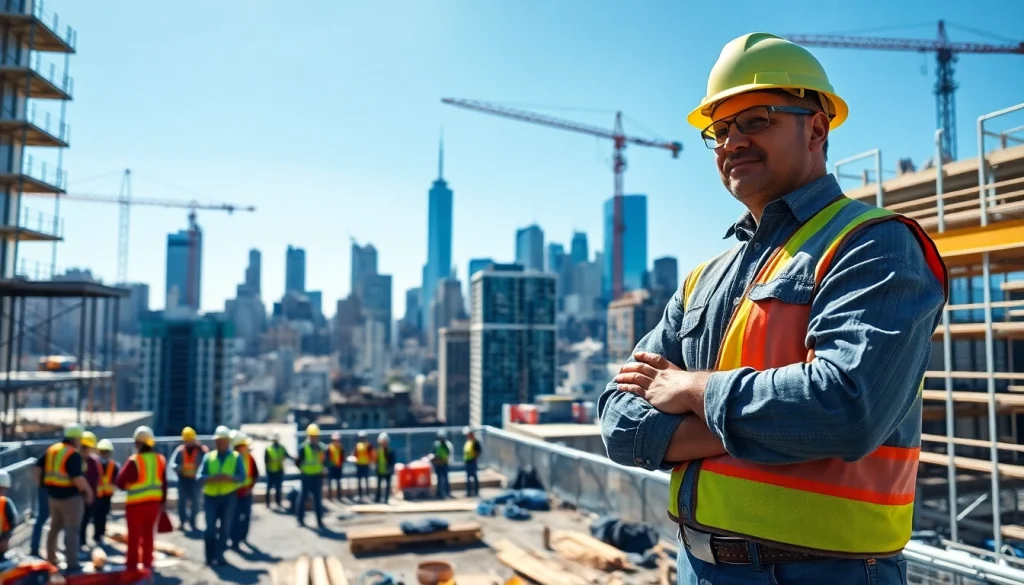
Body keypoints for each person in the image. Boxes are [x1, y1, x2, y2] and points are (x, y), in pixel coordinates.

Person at [598, 33, 948, 584]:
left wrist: (692, 392)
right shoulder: (703, 280)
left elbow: (845, 409)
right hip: (697, 567)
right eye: (720, 129)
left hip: (829, 574)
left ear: (816, 127)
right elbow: (620, 424)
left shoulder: (873, 245)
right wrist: (771, 427)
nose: (732, 141)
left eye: (756, 119)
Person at [35, 422, 92, 572]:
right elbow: (77, 478)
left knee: (54, 528)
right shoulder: (73, 454)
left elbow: (37, 467)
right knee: (72, 531)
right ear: (75, 439)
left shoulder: (52, 450)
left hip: (53, 496)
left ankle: (51, 560)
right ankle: (72, 564)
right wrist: (88, 491)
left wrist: (42, 485)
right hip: (70, 498)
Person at [114, 426, 167, 572]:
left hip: (135, 505)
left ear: (138, 443)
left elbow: (120, 482)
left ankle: (132, 567)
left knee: (134, 537)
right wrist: (163, 503)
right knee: (149, 535)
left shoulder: (134, 461)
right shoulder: (160, 459)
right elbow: (164, 483)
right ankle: (147, 565)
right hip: (154, 504)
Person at [197, 425, 244, 566]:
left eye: (223, 440)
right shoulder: (209, 457)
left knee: (225, 527)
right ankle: (209, 556)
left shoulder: (235, 457)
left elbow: (242, 476)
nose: (220, 443)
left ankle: (220, 555)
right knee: (210, 528)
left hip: (228, 496)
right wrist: (212, 478)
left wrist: (229, 478)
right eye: (218, 440)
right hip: (210, 497)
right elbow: (199, 476)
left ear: (228, 441)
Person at [169, 426, 207, 531]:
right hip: (183, 479)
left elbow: (206, 464)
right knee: (182, 502)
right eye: (186, 440)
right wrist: (178, 468)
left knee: (195, 502)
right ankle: (182, 521)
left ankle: (193, 522)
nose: (188, 442)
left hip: (196, 480)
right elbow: (173, 463)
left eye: (190, 440)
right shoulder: (180, 451)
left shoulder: (201, 451)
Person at [229, 431, 258, 551]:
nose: (246, 448)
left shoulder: (250, 458)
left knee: (246, 516)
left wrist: (250, 489)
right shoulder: (230, 459)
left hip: (246, 493)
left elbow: (255, 474)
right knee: (234, 517)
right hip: (234, 493)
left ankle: (243, 537)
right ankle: (234, 541)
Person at [294, 423, 326, 529]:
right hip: (306, 476)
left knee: (318, 499)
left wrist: (323, 469)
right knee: (303, 497)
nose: (314, 438)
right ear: (308, 436)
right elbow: (297, 462)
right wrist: (302, 470)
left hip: (317, 476)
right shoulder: (303, 448)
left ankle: (319, 521)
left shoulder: (321, 447)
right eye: (312, 436)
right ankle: (300, 519)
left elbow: (324, 461)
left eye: (316, 436)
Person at [92, 439, 119, 546]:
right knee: (95, 517)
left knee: (103, 516)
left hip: (107, 495)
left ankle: (100, 535)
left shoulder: (113, 465)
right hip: (96, 495)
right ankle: (95, 536)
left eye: (107, 452)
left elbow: (116, 480)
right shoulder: (94, 464)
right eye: (102, 451)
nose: (105, 454)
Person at [77, 431, 101, 550]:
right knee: (76, 522)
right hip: (78, 496)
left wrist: (90, 495)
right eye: (84, 449)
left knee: (85, 521)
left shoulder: (93, 461)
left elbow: (95, 479)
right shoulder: (76, 460)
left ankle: (82, 542)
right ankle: (78, 544)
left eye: (88, 449)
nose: (86, 451)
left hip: (89, 496)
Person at [263, 432, 287, 508]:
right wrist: (267, 470)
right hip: (270, 471)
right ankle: (268, 503)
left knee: (278, 488)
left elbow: (287, 455)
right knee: (269, 488)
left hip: (279, 471)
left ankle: (278, 502)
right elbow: (265, 461)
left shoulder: (282, 448)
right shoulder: (268, 449)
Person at [0, 470, 19, 559]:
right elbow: (13, 521)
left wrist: (5, 537)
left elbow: (12, 522)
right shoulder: (5, 503)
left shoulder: (5, 503)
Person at [429, 430, 453, 499]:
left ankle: (447, 492)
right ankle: (439, 493)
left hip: (444, 464)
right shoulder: (436, 444)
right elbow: (433, 453)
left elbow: (449, 454)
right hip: (438, 464)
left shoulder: (447, 445)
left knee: (445, 478)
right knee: (439, 479)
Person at [374, 432, 395, 504]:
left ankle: (386, 499)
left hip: (387, 471)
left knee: (387, 486)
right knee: (379, 486)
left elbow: (392, 461)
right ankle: (377, 499)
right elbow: (376, 460)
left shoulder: (390, 451)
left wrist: (390, 468)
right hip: (380, 470)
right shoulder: (378, 450)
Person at [352, 431, 372, 500]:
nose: (362, 438)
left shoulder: (368, 445)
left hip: (366, 464)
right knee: (359, 481)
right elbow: (355, 454)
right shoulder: (357, 445)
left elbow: (371, 454)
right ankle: (360, 495)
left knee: (366, 480)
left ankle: (367, 494)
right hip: (359, 465)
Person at [462, 427, 481, 497]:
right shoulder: (468, 442)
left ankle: (476, 492)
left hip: (472, 461)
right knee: (468, 477)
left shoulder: (475, 442)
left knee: (474, 476)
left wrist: (474, 458)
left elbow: (478, 452)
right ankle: (469, 492)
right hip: (467, 461)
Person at [325, 433, 344, 501]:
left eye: (337, 440)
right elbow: (326, 458)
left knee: (338, 482)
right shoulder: (329, 448)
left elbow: (342, 457)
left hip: (338, 467)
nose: (336, 441)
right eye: (335, 440)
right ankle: (330, 497)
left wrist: (341, 464)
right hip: (331, 467)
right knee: (330, 482)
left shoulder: (340, 448)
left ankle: (339, 496)